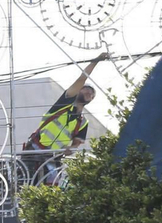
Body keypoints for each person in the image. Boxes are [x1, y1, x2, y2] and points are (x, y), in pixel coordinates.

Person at [22, 53, 107, 183]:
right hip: (35, 149)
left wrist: (71, 150)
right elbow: (81, 79)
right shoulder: (63, 105)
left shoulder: (83, 122)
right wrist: (95, 61)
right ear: (78, 91)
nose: (88, 93)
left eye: (91, 94)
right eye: (85, 90)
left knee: (51, 185)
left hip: (52, 157)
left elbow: (76, 144)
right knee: (24, 181)